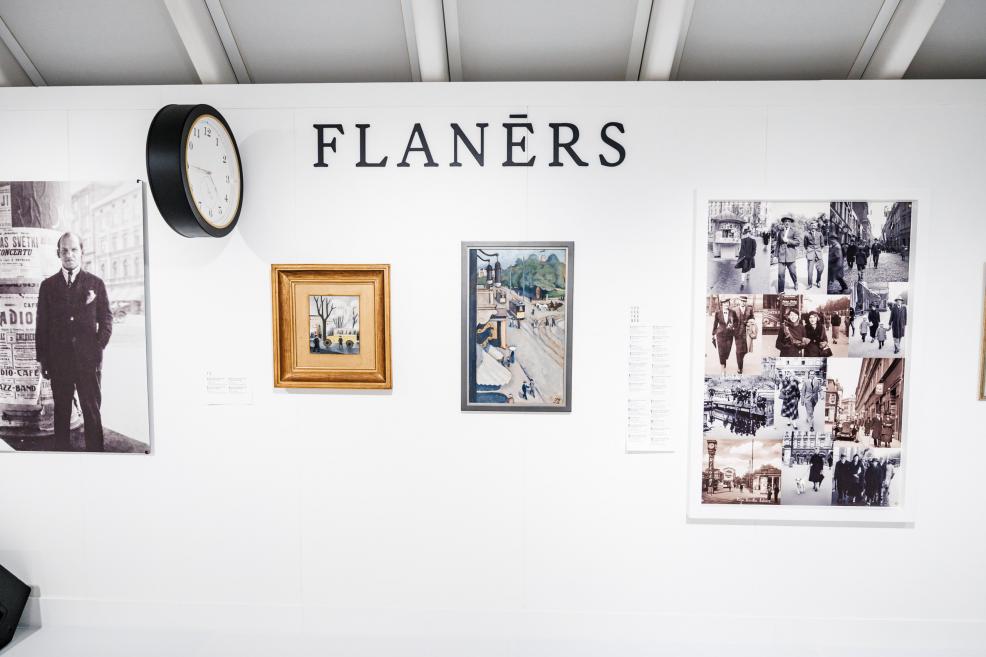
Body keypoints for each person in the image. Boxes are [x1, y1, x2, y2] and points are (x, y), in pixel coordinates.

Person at [35, 232, 113, 452]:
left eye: (74, 250)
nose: (69, 255)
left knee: (91, 411)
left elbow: (107, 318)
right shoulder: (48, 286)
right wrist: (42, 358)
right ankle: (62, 458)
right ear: (58, 254)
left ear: (82, 252)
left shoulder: (95, 283)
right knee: (62, 413)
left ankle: (96, 457)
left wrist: (98, 346)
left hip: (89, 361)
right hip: (59, 362)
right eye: (64, 251)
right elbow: (42, 325)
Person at [730, 295, 755, 374]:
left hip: (747, 333)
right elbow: (731, 321)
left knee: (744, 350)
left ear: (746, 302)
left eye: (744, 301)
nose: (743, 302)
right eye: (741, 301)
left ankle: (741, 359)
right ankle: (740, 367)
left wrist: (750, 321)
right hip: (737, 333)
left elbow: (752, 317)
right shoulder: (734, 310)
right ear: (739, 301)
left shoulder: (749, 309)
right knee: (738, 351)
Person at [775, 215, 800, 292]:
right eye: (785, 221)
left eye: (788, 221)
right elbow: (778, 244)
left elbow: (797, 242)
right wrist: (776, 255)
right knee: (780, 274)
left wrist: (788, 241)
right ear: (783, 223)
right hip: (781, 256)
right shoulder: (780, 232)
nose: (787, 223)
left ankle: (795, 282)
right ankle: (781, 291)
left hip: (790, 255)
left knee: (793, 272)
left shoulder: (794, 231)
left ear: (791, 223)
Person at [712, 298, 734, 376]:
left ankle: (724, 359)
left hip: (730, 335)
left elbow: (736, 321)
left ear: (729, 304)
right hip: (720, 334)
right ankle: (723, 367)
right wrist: (713, 333)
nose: (726, 304)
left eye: (727, 303)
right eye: (725, 303)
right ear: (722, 304)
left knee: (727, 351)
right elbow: (715, 323)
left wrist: (733, 326)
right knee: (721, 352)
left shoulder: (732, 312)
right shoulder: (718, 313)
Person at [802, 219, 825, 289]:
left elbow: (822, 244)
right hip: (810, 253)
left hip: (818, 253)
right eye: (812, 225)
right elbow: (805, 245)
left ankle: (818, 281)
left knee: (821, 268)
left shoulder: (820, 234)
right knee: (810, 270)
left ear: (816, 226)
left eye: (814, 225)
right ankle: (809, 284)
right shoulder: (806, 234)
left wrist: (821, 251)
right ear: (810, 226)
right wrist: (808, 250)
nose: (813, 226)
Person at [734, 226, 758, 290]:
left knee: (747, 267)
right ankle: (742, 282)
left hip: (747, 256)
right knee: (745, 269)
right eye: (747, 232)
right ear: (746, 233)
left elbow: (754, 249)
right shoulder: (749, 240)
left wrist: (743, 256)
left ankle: (747, 276)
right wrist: (744, 256)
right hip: (746, 257)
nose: (748, 234)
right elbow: (753, 249)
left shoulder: (751, 240)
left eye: (749, 233)